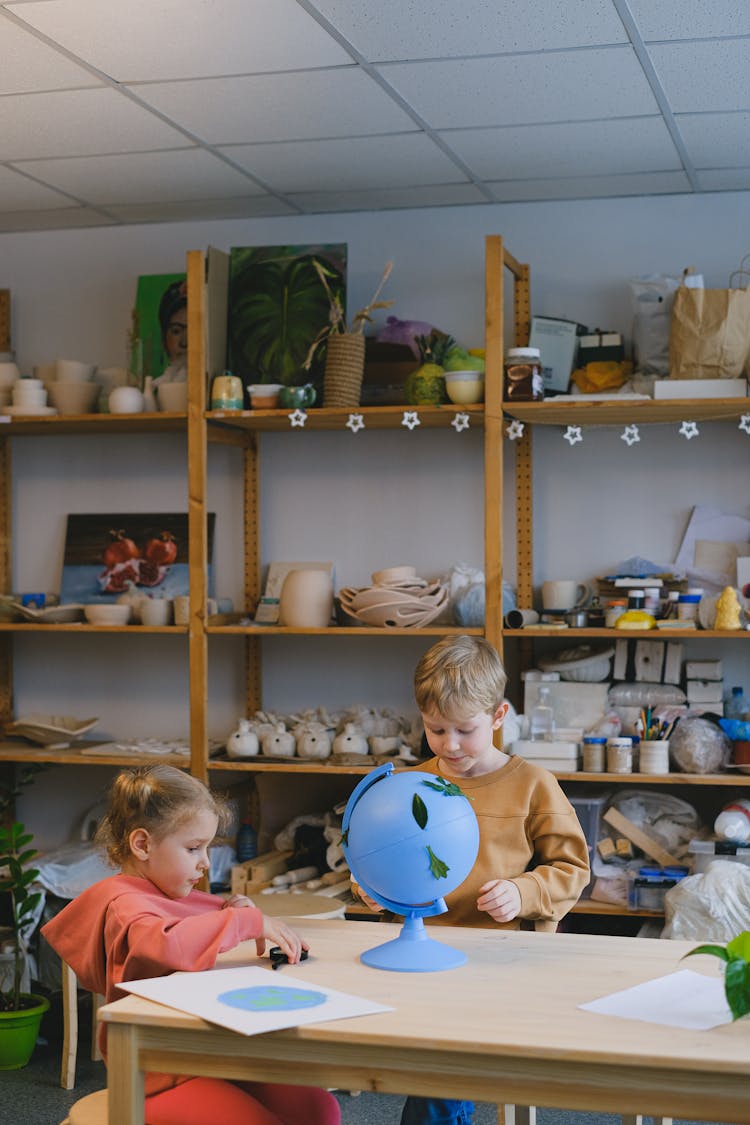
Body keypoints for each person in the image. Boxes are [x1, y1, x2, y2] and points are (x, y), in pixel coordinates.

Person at [354, 634, 590, 1125]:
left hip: (498, 959)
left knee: (435, 1083)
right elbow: (384, 859)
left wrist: (523, 892)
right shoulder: (411, 784)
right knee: (416, 1066)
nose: (450, 745)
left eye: (465, 729)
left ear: (499, 716)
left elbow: (573, 869)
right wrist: (375, 889)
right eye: (436, 730)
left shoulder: (533, 785)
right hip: (421, 955)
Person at [42, 764, 340, 1125]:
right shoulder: (125, 905)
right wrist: (244, 921)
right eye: (194, 848)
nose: (205, 863)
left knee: (319, 1108)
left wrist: (236, 908)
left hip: (206, 1051)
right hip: (157, 1071)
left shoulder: (164, 889)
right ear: (142, 844)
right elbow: (169, 943)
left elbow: (201, 919)